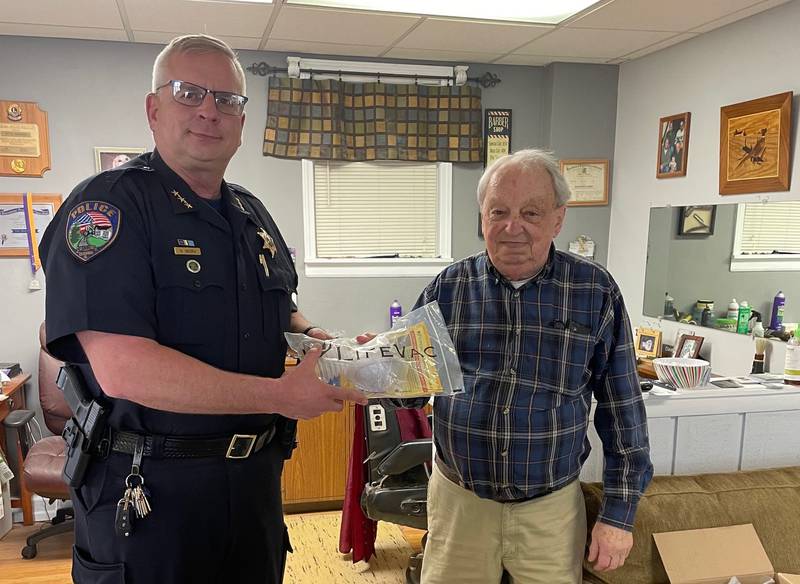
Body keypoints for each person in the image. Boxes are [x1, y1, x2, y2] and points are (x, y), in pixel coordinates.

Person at [39, 34, 367, 584]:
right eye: (189, 93)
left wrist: (319, 340)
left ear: (241, 122)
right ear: (154, 109)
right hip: (150, 493)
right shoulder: (108, 208)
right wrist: (281, 396)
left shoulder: (251, 214)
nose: (210, 111)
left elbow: (279, 307)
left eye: (228, 100)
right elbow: (124, 368)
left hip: (253, 486)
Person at [400, 149, 653, 583]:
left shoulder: (595, 291)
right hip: (459, 506)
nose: (511, 227)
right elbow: (409, 387)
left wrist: (619, 514)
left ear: (558, 219)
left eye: (530, 213)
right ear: (482, 217)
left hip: (550, 513)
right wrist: (370, 365)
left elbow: (623, 411)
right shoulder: (448, 288)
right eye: (498, 211)